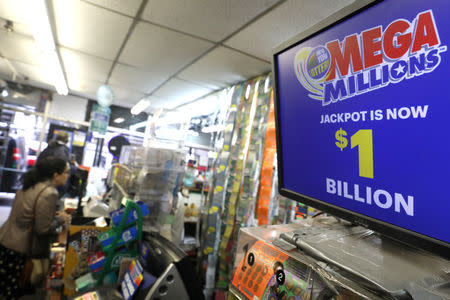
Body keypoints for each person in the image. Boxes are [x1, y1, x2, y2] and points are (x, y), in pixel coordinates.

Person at [0, 157, 71, 300]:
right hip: (21, 249)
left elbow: (29, 213)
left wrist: (53, 215)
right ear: (55, 175)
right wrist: (60, 219)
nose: (68, 176)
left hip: (6, 241)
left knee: (3, 286)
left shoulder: (30, 184)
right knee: (13, 290)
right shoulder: (49, 193)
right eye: (66, 172)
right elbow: (42, 229)